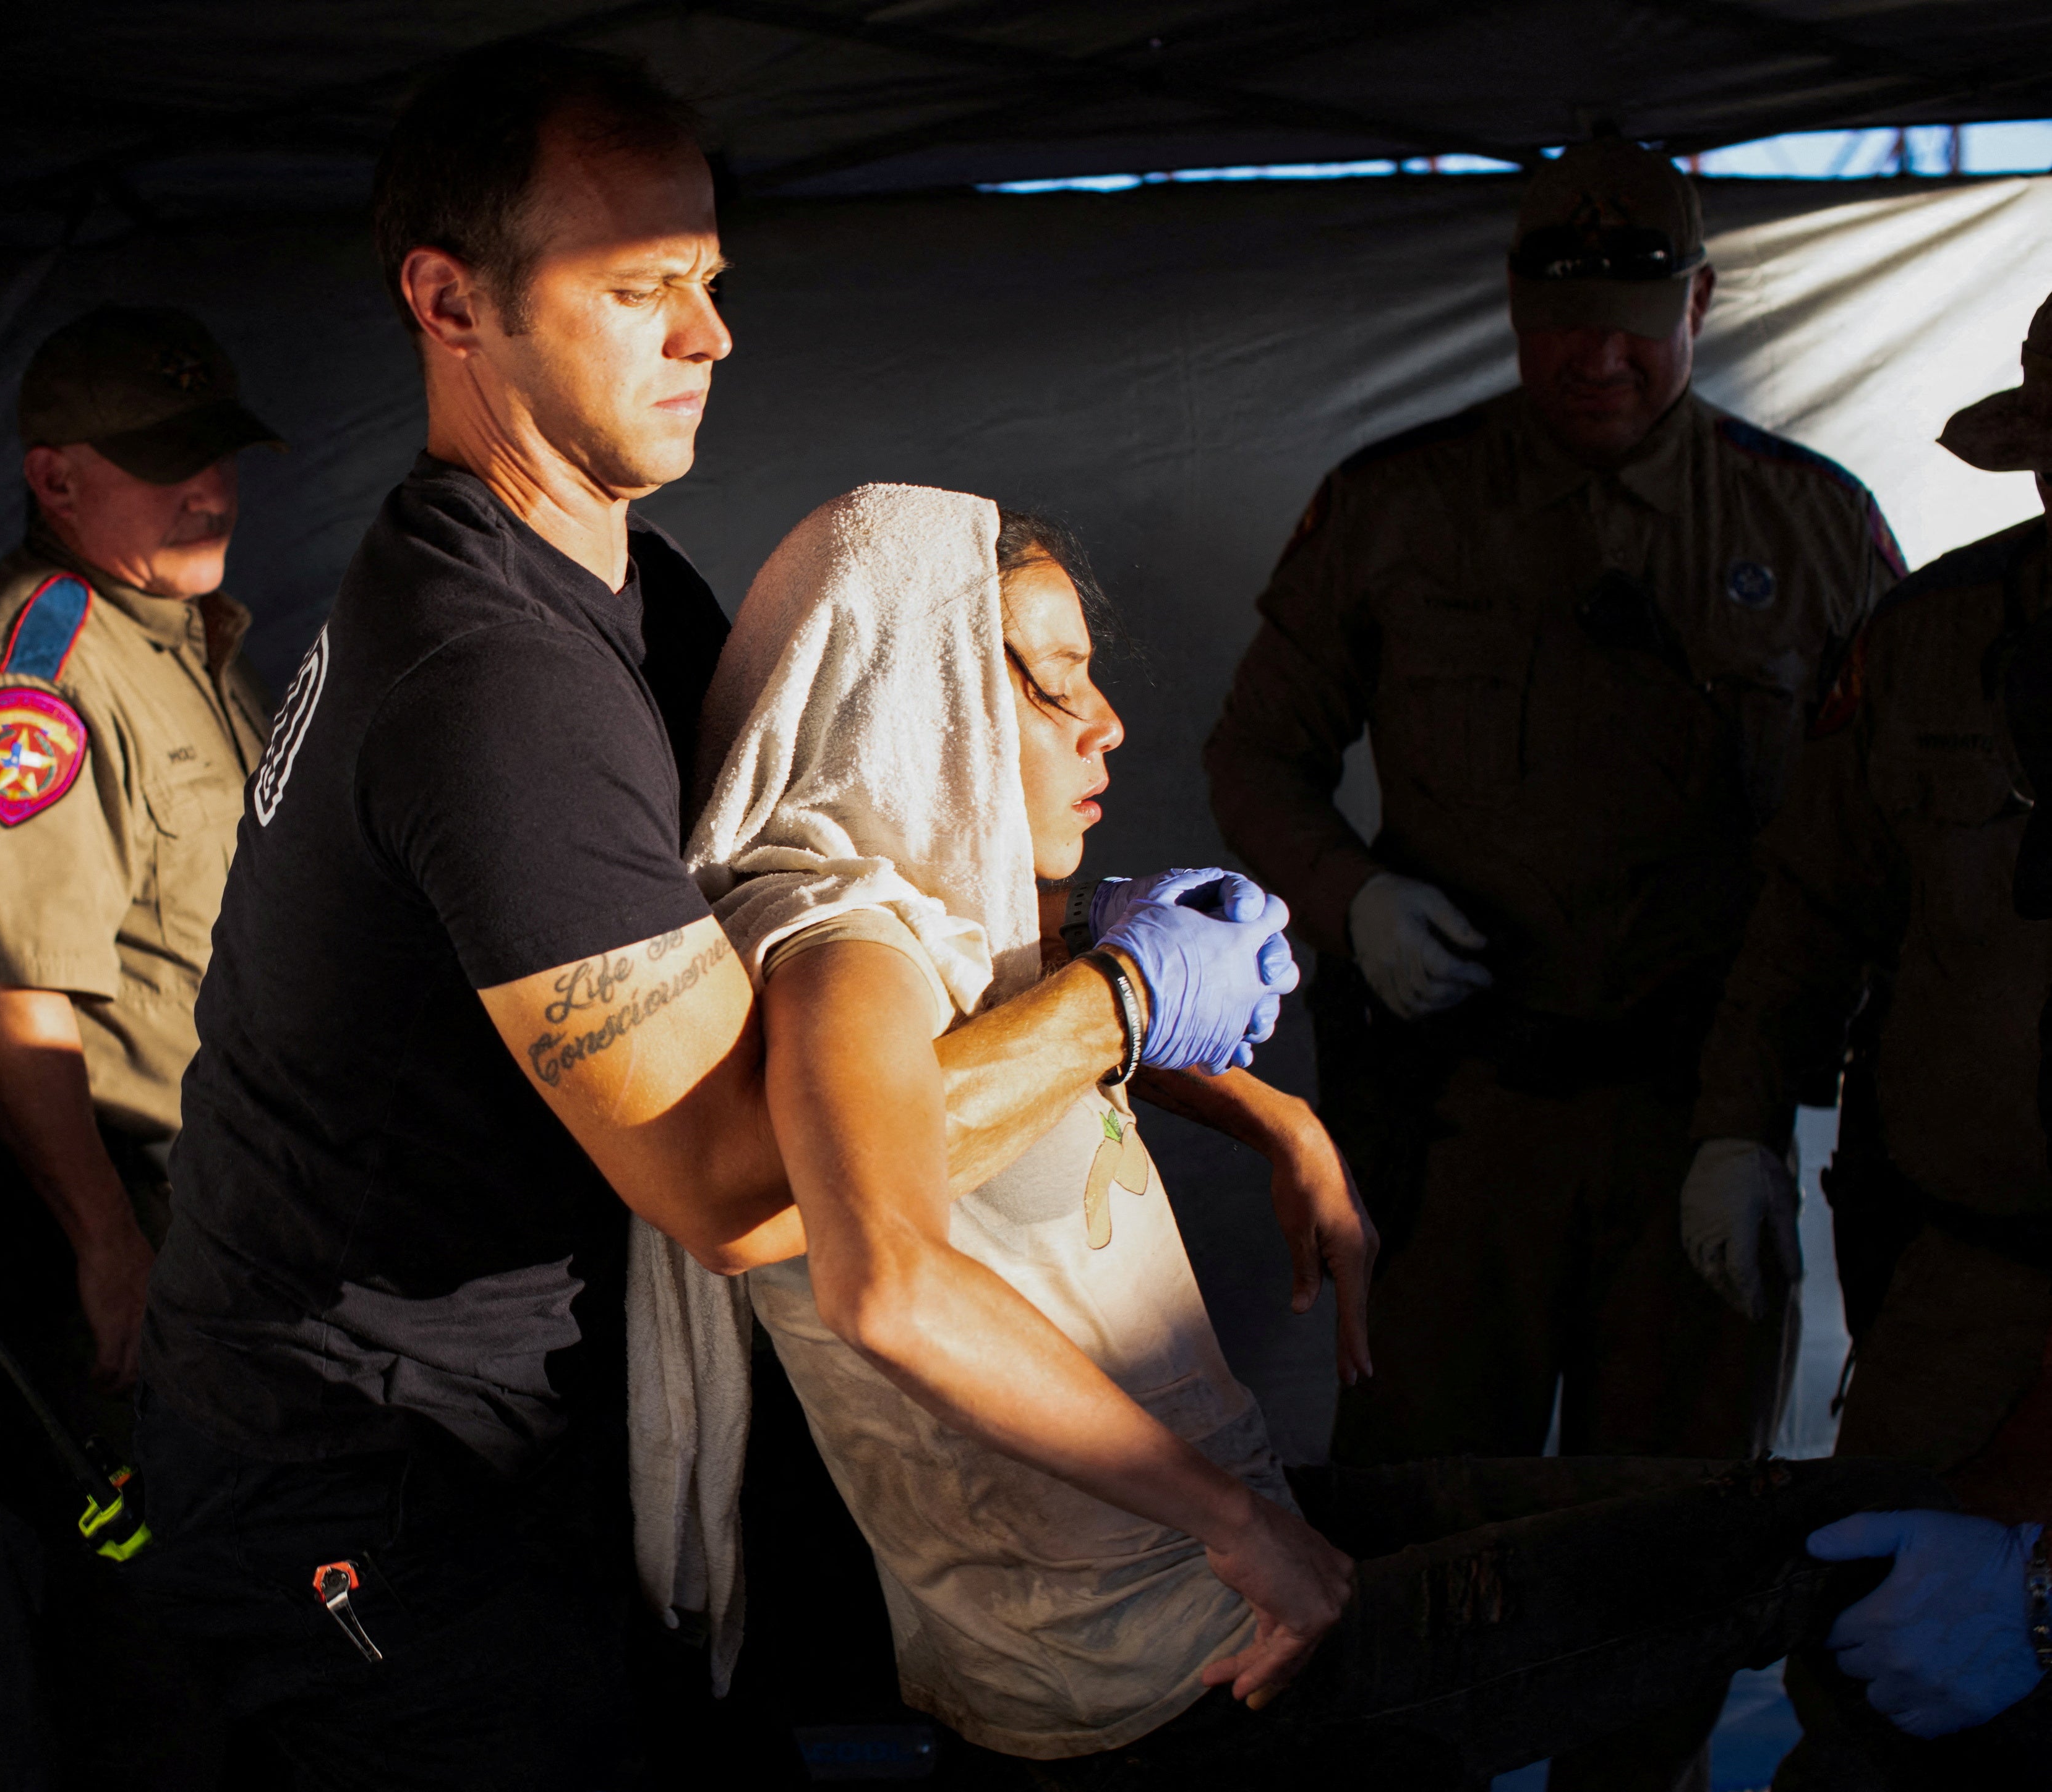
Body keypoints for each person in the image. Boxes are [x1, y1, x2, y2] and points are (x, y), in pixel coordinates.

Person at [124, 48, 1293, 1792]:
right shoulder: (486, 677)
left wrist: (1127, 1005)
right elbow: (753, 1193)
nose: (710, 335)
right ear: (451, 302)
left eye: (714, 284)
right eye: (641, 288)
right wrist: (1113, 1008)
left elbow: (812, 889)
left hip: (537, 1445)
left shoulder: (623, 587)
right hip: (370, 1480)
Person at [698, 480, 1938, 1789]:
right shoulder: (843, 952)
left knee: (1775, 1524)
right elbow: (885, 1278)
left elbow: (967, 1072)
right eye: (1057, 684)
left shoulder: (943, 927)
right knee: (1832, 1537)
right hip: (1167, 1668)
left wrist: (1271, 1113)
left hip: (1191, 1587)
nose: (1107, 723)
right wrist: (1235, 1523)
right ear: (916, 705)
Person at [1202, 130, 1905, 1792]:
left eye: (1638, 320)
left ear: (1705, 305)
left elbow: (1864, 849)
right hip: (1465, 1134)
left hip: (1696, 1120)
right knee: (1414, 1520)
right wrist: (1349, 892)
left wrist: (1768, 1119)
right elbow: (1259, 757)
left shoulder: (1808, 528)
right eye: (1562, 318)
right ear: (1514, 309)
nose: (1599, 358)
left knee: (1673, 1532)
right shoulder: (1397, 508)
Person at [0, 303, 279, 1786]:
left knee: (244, 1599)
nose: (211, 489)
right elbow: (13, 1001)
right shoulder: (32, 681)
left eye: (219, 457)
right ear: (54, 479)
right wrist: (110, 1247)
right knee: (154, 1623)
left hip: (221, 1210)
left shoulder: (172, 637)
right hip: (124, 1214)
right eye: (166, 465)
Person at [1701, 296, 2052, 1785]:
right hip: (1961, 1294)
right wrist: (1737, 1127)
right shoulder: (1931, 643)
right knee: (1870, 1687)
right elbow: (1807, 911)